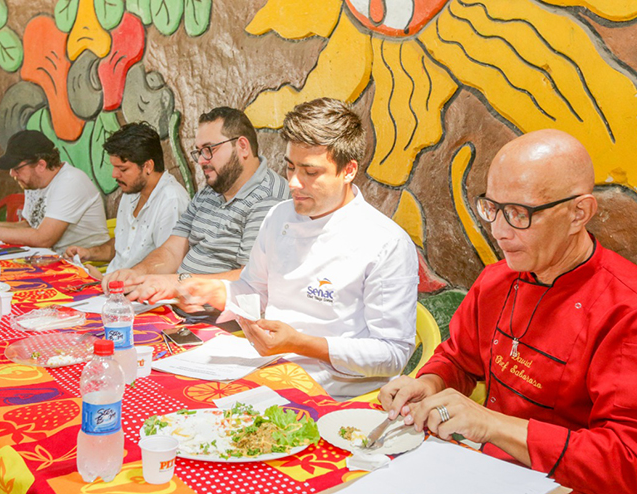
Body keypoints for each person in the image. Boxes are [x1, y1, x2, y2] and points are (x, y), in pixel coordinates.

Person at [378, 129, 637, 494]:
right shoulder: (497, 280)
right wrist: (431, 383)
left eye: (519, 214)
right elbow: (459, 359)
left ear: (579, 213)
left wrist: (492, 425)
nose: (499, 230)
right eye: (491, 208)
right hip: (486, 476)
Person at [179, 98, 418, 399]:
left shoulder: (385, 242)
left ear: (348, 171)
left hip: (337, 395)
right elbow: (253, 288)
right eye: (290, 167)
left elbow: (392, 354)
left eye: (310, 172)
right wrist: (212, 290)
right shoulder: (278, 217)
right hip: (269, 372)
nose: (293, 182)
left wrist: (300, 343)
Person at [102, 107, 290, 301]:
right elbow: (171, 251)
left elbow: (251, 279)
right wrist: (137, 273)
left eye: (209, 150)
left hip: (218, 314)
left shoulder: (268, 197)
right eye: (199, 152)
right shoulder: (209, 192)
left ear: (242, 146)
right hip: (181, 303)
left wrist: (179, 283)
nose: (201, 160)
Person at [0, 130, 109, 254]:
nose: (12, 174)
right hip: (48, 259)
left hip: (85, 264)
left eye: (17, 168)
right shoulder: (34, 182)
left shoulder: (71, 182)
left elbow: (43, 238)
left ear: (41, 165)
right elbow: (31, 225)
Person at [64, 122, 190, 279]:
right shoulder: (131, 192)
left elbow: (168, 264)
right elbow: (123, 248)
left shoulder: (171, 200)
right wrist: (89, 253)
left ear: (148, 166)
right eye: (114, 167)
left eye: (123, 169)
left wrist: (111, 281)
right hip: (113, 282)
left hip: (138, 289)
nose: (114, 174)